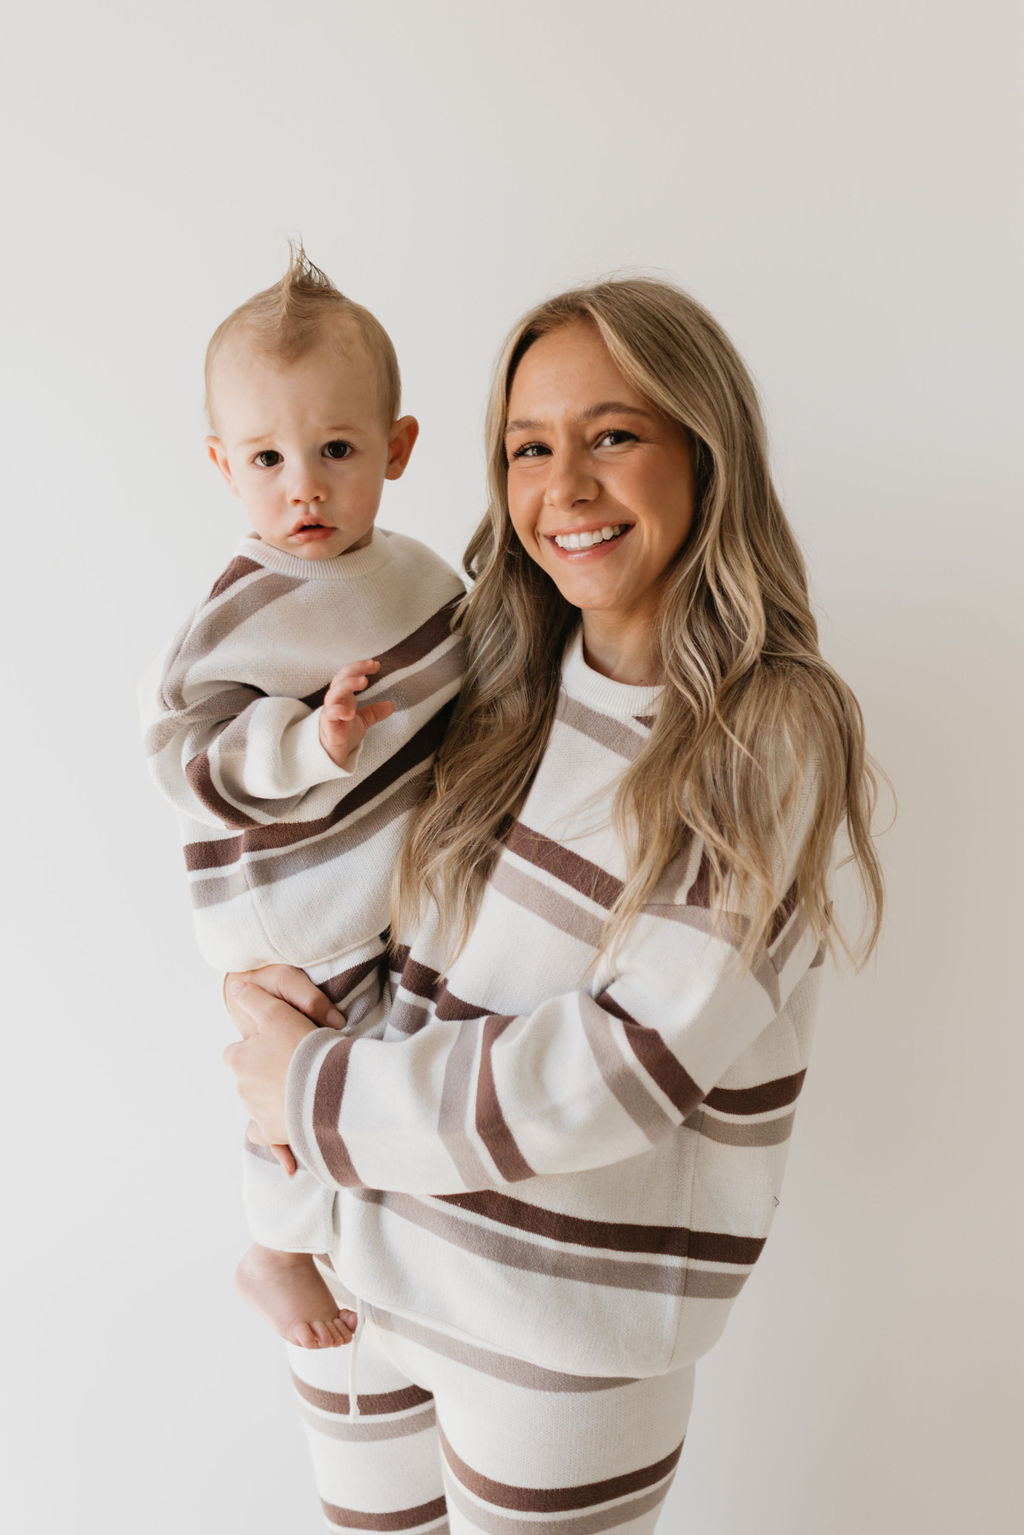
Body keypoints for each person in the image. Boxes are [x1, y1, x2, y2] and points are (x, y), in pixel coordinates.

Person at [224, 277, 883, 1532]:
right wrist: (257, 977)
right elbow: (328, 872)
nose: (565, 486)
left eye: (613, 435)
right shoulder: (484, 673)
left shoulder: (770, 732)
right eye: (530, 447)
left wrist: (308, 1087)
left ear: (706, 449)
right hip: (356, 1276)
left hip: (557, 1329)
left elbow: (625, 1066)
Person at [139, 247, 465, 1351]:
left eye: (335, 450)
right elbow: (182, 745)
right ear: (224, 465)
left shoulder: (416, 576)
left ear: (398, 448)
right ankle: (277, 1246)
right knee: (310, 1060)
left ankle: (346, 1233)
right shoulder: (242, 611)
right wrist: (304, 739)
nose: (305, 487)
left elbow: (461, 671)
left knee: (374, 1055)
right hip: (284, 894)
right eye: (270, 457)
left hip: (366, 879)